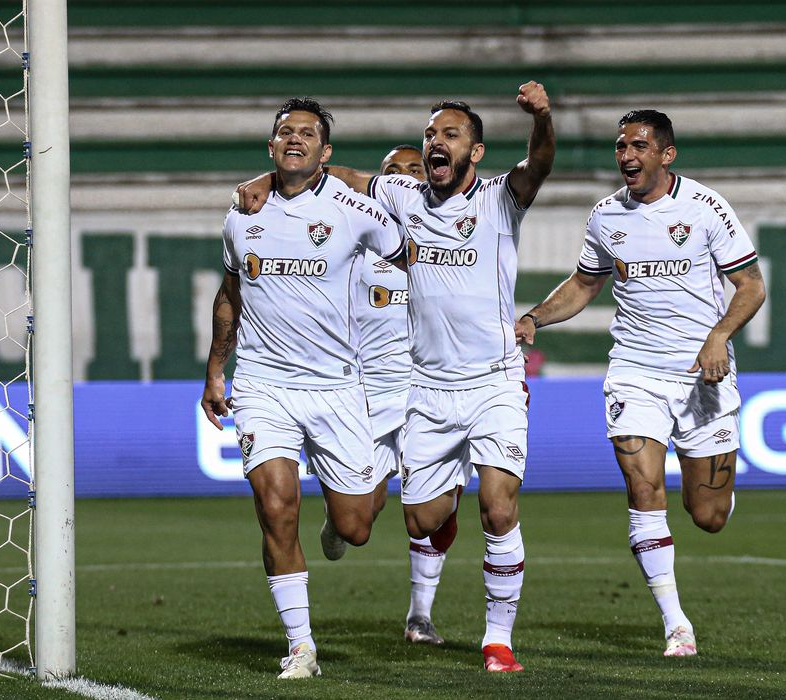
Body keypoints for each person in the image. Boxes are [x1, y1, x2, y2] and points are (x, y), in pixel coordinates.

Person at [236, 81, 555, 672]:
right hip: (417, 388)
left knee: (499, 506)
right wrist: (270, 184)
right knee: (415, 520)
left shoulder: (499, 200)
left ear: (475, 151)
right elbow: (348, 177)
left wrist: (541, 118)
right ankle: (413, 559)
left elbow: (538, 164)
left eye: (448, 135)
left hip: (493, 381)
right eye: (429, 133)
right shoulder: (399, 202)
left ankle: (497, 640)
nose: (434, 143)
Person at [515, 109, 766, 657]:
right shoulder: (607, 216)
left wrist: (719, 335)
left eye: (639, 146)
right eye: (620, 146)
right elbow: (585, 283)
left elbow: (750, 285)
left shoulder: (704, 208)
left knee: (709, 517)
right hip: (635, 371)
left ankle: (711, 494)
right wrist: (535, 315)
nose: (626, 155)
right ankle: (676, 623)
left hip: (703, 373)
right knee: (644, 490)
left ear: (666, 154)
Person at [201, 97, 405, 679]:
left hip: (338, 385)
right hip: (265, 384)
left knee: (356, 527)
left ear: (326, 152)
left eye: (308, 134)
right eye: (285, 132)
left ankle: (338, 521)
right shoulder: (241, 214)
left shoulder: (354, 210)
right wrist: (216, 371)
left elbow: (408, 257)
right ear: (271, 145)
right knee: (275, 507)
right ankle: (300, 645)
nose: (294, 139)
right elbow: (230, 294)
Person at [356, 144, 458, 646]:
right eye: (389, 172)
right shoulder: (352, 243)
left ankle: (420, 615)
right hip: (371, 394)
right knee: (358, 517)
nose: (399, 179)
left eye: (411, 171)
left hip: (434, 389)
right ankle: (340, 520)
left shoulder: (448, 241)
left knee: (438, 510)